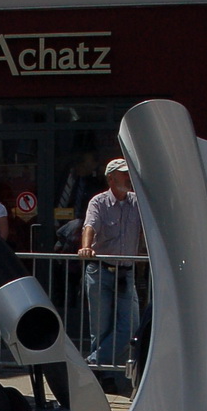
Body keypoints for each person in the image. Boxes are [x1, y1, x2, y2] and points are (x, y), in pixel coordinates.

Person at [79, 156, 143, 375]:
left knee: (131, 326)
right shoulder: (99, 202)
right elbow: (90, 226)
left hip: (127, 273)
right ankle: (103, 376)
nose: (128, 177)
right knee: (101, 328)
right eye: (124, 173)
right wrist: (86, 247)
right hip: (101, 271)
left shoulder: (137, 201)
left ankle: (90, 365)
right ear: (111, 178)